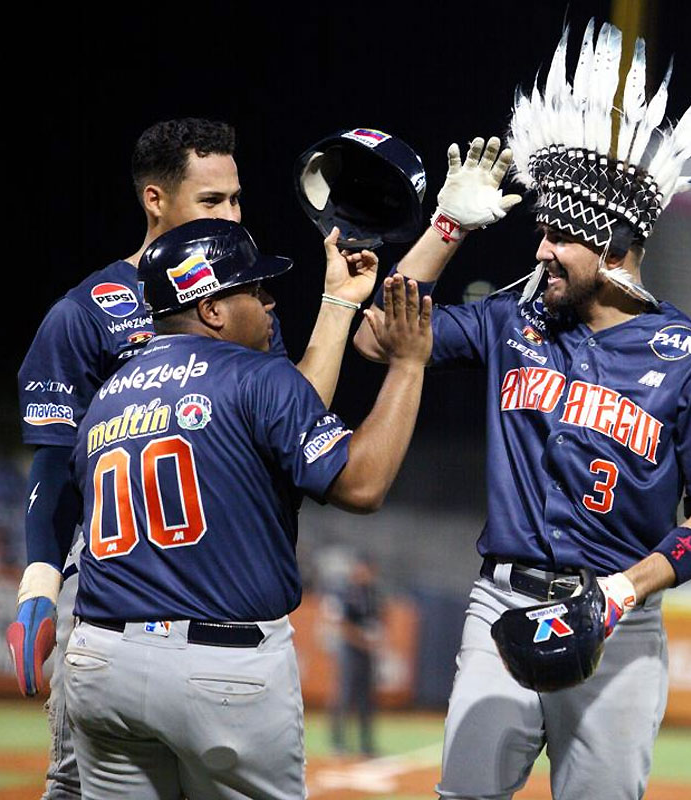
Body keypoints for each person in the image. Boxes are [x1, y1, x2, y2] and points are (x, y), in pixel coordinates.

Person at [353, 19, 691, 800]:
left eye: (560, 236)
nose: (540, 251)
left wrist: (623, 592)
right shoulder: (513, 320)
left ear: (611, 243)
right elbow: (376, 339)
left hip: (619, 621)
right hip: (502, 602)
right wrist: (448, 228)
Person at [8, 117, 390, 799]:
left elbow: (286, 413)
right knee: (70, 784)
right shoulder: (87, 312)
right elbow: (52, 463)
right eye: (213, 201)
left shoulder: (231, 295)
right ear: (155, 200)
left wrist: (336, 305)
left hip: (189, 589)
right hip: (106, 583)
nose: (233, 213)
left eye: (236, 198)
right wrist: (38, 580)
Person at [64, 217, 431, 798]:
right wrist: (409, 365)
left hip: (99, 660)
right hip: (221, 668)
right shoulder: (257, 375)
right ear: (210, 309)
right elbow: (361, 486)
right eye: (254, 290)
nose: (269, 302)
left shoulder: (109, 398)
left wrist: (337, 303)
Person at [330, 555, 382, 758]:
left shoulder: (372, 593)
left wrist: (373, 641)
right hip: (351, 648)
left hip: (367, 650)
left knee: (365, 698)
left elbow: (377, 621)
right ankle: (339, 744)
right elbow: (342, 625)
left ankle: (366, 745)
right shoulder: (348, 593)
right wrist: (362, 640)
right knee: (344, 695)